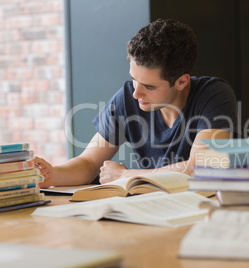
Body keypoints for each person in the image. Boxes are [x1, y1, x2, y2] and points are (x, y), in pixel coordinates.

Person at [35, 19, 237, 188]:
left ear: (181, 82)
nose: (135, 93)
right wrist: (53, 174)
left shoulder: (214, 95)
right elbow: (88, 163)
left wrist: (126, 176)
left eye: (149, 86)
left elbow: (203, 167)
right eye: (134, 79)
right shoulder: (128, 96)